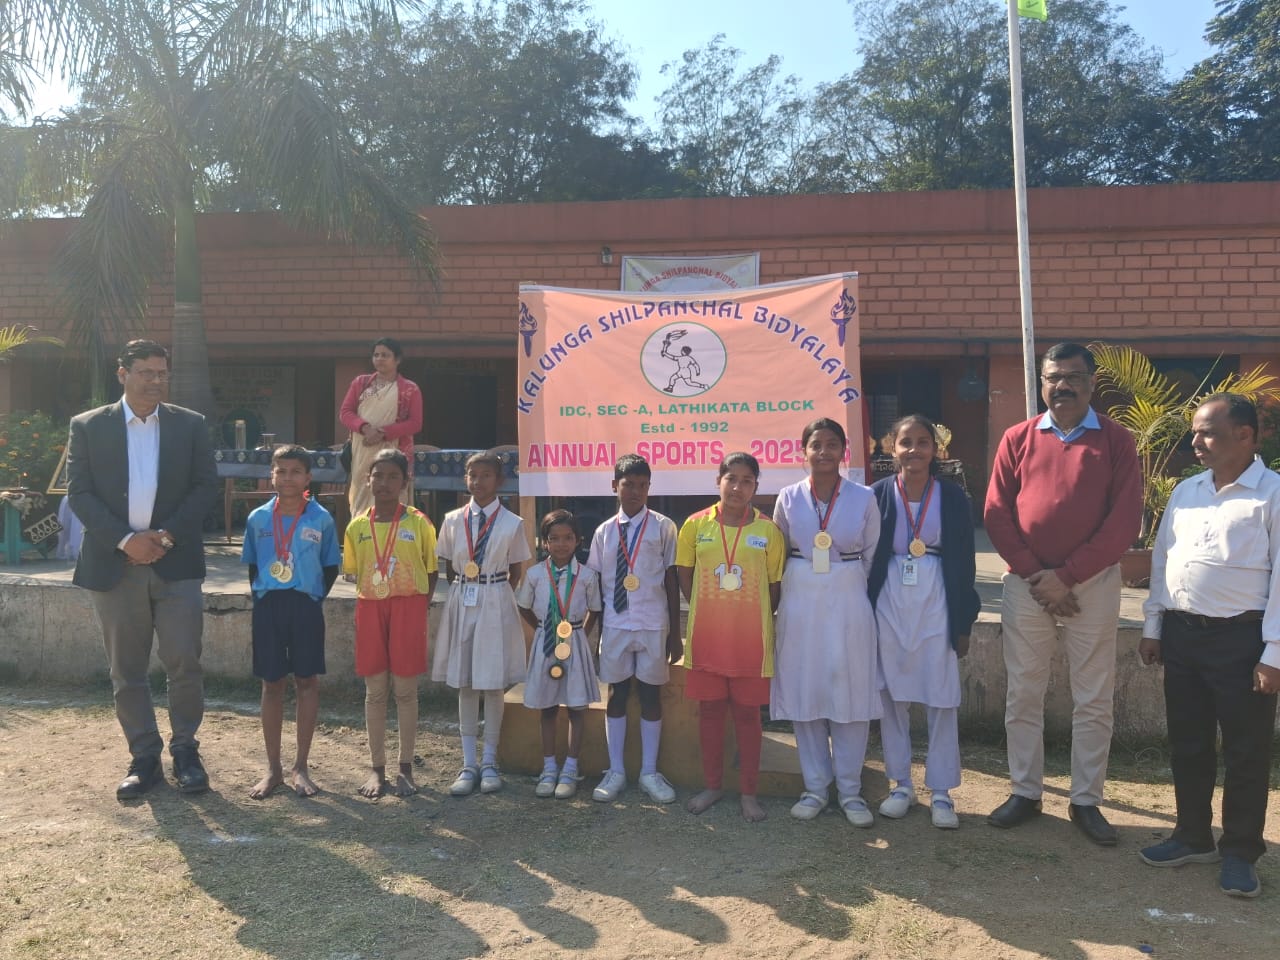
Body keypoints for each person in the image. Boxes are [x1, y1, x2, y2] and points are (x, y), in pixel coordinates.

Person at [983, 341, 1143, 844]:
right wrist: (1040, 576)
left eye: (1073, 377)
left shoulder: (1116, 441)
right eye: (1053, 377)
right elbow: (996, 514)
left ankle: (1086, 801)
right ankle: (1025, 792)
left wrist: (1067, 576)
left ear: (1092, 383)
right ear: (1042, 383)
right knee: (1023, 691)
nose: (1063, 386)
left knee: (1093, 697)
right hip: (1027, 584)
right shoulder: (1017, 438)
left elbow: (1124, 522)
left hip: (1091, 584)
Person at [1138, 393, 1280, 899]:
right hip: (1182, 635)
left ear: (1245, 436)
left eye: (1208, 432)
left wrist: (1274, 652)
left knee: (1245, 750)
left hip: (1241, 640)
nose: (1195, 441)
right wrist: (1153, 625)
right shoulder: (1187, 490)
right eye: (1195, 431)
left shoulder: (1271, 494)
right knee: (1189, 742)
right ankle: (1192, 836)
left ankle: (1240, 850)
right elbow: (1163, 559)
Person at [67, 339, 219, 800]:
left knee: (184, 661)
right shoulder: (88, 426)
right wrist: (126, 540)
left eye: (162, 373)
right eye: (146, 372)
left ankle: (186, 751)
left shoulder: (189, 425)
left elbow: (205, 487)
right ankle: (144, 758)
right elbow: (80, 493)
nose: (156, 381)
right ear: (123, 374)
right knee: (127, 670)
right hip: (114, 566)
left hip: (176, 564)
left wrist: (164, 538)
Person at [868, 415, 981, 829]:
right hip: (889, 602)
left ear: (935, 450)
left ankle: (942, 791)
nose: (913, 450)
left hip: (937, 599)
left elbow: (965, 561)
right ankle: (900, 785)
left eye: (922, 442)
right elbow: (868, 556)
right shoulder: (877, 494)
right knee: (891, 698)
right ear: (891, 447)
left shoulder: (952, 497)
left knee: (941, 696)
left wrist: (963, 622)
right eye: (905, 442)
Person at [770, 418, 882, 826]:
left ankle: (850, 791)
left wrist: (844, 580)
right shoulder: (788, 497)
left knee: (850, 691)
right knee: (807, 690)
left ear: (843, 451)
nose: (824, 452)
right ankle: (816, 788)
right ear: (804, 451)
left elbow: (872, 553)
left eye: (832, 444)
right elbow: (778, 550)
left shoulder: (864, 497)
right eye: (816, 445)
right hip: (800, 597)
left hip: (848, 596)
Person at [676, 452, 785, 822]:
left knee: (748, 717)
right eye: (731, 479)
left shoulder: (768, 531)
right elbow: (685, 575)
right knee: (709, 715)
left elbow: (774, 587)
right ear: (718, 481)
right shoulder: (694, 525)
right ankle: (712, 786)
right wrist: (709, 609)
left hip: (750, 644)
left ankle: (749, 793)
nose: (738, 487)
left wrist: (749, 617)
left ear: (756, 486)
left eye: (747, 481)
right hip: (707, 640)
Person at [241, 445, 340, 798]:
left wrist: (310, 598)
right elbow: (253, 567)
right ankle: (273, 768)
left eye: (296, 471)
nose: (287, 478)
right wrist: (267, 596)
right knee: (271, 683)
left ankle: (301, 766)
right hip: (269, 605)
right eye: (280, 471)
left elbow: (330, 568)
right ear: (271, 475)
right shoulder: (257, 519)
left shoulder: (321, 519)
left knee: (307, 681)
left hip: (305, 606)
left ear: (308, 477)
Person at [432, 452, 531, 796]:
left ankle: (490, 761)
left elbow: (516, 570)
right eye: (472, 475)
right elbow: (449, 567)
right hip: (464, 598)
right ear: (465, 479)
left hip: (496, 599)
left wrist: (493, 592)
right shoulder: (452, 520)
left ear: (499, 480)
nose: (478, 481)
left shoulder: (512, 523)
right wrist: (468, 588)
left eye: (486, 475)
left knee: (492, 682)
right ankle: (468, 762)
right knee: (466, 682)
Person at [342, 449, 438, 800]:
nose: (384, 483)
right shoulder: (356, 526)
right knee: (375, 691)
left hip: (408, 607)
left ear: (405, 482)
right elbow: (354, 572)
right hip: (371, 607)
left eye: (392, 476)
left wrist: (417, 609)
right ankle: (377, 767)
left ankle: (405, 767)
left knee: (406, 691)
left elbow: (431, 570)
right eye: (378, 476)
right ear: (367, 480)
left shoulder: (419, 522)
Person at [586, 454, 682, 805]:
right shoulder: (604, 531)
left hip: (653, 623)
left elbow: (671, 580)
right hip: (616, 624)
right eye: (628, 484)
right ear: (615, 486)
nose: (635, 491)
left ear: (649, 488)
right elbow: (597, 583)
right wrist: (592, 632)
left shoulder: (663, 527)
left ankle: (649, 772)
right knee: (618, 694)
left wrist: (675, 632)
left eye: (642, 485)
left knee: (651, 696)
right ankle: (616, 771)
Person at [516, 510, 602, 799]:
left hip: (574, 642)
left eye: (568, 538)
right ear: (545, 542)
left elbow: (595, 609)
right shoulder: (535, 574)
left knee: (576, 707)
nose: (561, 544)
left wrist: (580, 634)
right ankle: (549, 767)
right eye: (554, 538)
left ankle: (571, 768)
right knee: (548, 707)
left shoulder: (587, 575)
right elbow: (524, 606)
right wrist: (543, 629)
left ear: (578, 541)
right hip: (546, 642)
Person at [338, 337, 423, 516]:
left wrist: (383, 433)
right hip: (362, 450)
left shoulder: (409, 389)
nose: (379, 359)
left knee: (393, 491)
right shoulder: (361, 383)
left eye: (385, 355)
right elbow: (345, 413)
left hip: (395, 451)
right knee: (362, 493)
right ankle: (361, 529)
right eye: (376, 355)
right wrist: (366, 429)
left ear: (397, 359)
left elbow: (415, 423)